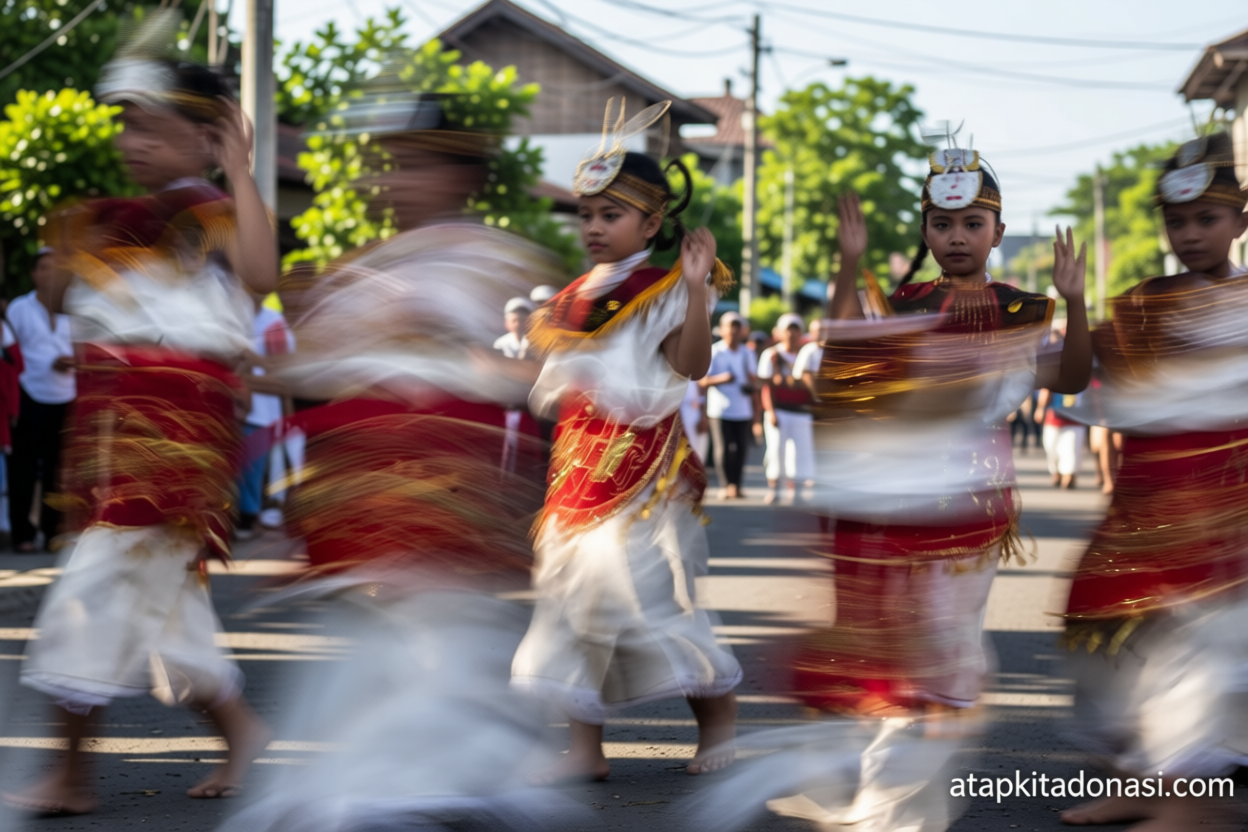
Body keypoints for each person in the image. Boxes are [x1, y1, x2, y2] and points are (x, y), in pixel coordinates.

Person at [694, 136, 1090, 832]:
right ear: (925, 230)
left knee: (943, 652)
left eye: (972, 223)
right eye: (942, 222)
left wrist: (1078, 302)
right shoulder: (901, 304)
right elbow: (841, 360)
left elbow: (1074, 379)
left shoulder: (1024, 310)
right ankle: (893, 797)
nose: (957, 236)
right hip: (893, 504)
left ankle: (895, 805)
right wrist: (848, 264)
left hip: (969, 515)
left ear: (997, 230)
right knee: (896, 655)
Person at [221, 91, 577, 832]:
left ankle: (442, 794)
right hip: (378, 506)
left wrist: (434, 352)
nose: (397, 181)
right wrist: (274, 371)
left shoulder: (489, 259)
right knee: (383, 668)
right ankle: (420, 793)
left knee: (438, 662)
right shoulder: (372, 268)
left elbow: (513, 373)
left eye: (417, 165)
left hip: (446, 501)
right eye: (394, 166)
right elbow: (329, 365)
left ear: (460, 176)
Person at [3, 35, 273, 816]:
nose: (132, 142)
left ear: (204, 137)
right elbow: (60, 308)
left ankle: (71, 774)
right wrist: (62, 269)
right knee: (162, 611)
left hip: (174, 446)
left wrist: (242, 172)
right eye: (126, 126)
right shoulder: (112, 224)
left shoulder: (211, 213)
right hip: (113, 435)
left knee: (90, 591)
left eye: (150, 128)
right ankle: (242, 729)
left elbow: (260, 276)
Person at [513, 100, 741, 782]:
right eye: (586, 214)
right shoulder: (572, 297)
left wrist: (698, 290)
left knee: (649, 602)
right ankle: (585, 749)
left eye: (610, 215)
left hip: (642, 471)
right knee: (568, 603)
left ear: (652, 222)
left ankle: (720, 721)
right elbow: (552, 387)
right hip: (578, 467)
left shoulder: (664, 287)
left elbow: (691, 365)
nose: (592, 227)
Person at [1058, 131, 1248, 832]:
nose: (1190, 233)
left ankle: (1197, 804)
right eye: (1177, 221)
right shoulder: (1141, 306)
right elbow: (1079, 382)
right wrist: (1073, 304)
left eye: (1208, 218)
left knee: (1201, 652)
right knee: (1105, 639)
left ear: (1241, 222)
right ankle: (1136, 777)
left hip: (1226, 508)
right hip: (1144, 502)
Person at [6, 247, 75, 552]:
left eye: (56, 268)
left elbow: (85, 349)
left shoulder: (74, 310)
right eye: (44, 268)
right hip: (29, 392)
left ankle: (52, 532)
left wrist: (71, 361)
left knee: (58, 468)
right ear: (34, 273)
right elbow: (10, 353)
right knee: (23, 466)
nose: (50, 274)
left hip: (65, 395)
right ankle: (22, 533)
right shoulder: (20, 308)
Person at [235, 300, 294, 539]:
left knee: (252, 472)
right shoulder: (227, 310)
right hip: (227, 408)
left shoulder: (273, 322)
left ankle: (247, 521)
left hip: (260, 414)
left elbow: (283, 375)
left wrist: (247, 371)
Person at [758, 312, 815, 503]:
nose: (791, 334)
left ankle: (796, 492)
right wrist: (771, 411)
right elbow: (767, 386)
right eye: (788, 329)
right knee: (775, 450)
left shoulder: (807, 353)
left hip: (801, 411)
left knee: (800, 453)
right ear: (780, 332)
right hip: (780, 410)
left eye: (795, 329)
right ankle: (774, 489)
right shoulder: (772, 355)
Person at [702, 311, 759, 499]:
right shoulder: (715, 351)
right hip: (720, 409)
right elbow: (702, 381)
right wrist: (722, 379)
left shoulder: (747, 353)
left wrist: (752, 386)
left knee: (742, 448)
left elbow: (754, 379)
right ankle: (727, 485)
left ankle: (737, 484)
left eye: (737, 326)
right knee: (724, 448)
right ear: (723, 329)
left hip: (742, 408)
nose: (733, 330)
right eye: (730, 326)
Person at [1036, 386, 1086, 489]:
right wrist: (1040, 408)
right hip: (1054, 416)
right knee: (1051, 448)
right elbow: (1046, 389)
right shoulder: (1055, 371)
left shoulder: (1083, 373)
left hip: (1075, 418)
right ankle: (1056, 472)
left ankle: (1069, 474)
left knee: (1072, 449)